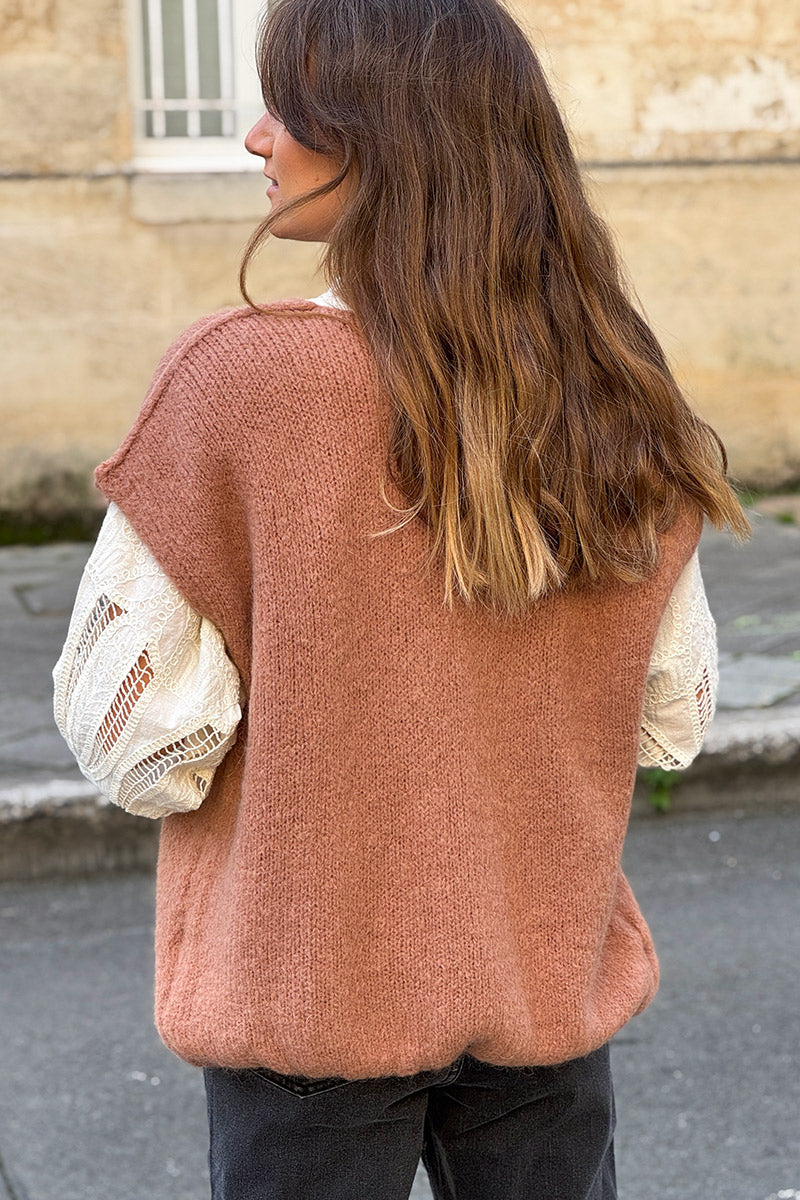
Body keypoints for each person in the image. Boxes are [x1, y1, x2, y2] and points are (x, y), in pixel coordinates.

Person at [53, 0, 750, 1196]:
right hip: (542, 990)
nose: (253, 137)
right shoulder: (611, 392)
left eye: (288, 105)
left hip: (307, 1009)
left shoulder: (240, 385)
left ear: (380, 136)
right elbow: (668, 719)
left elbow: (131, 746)